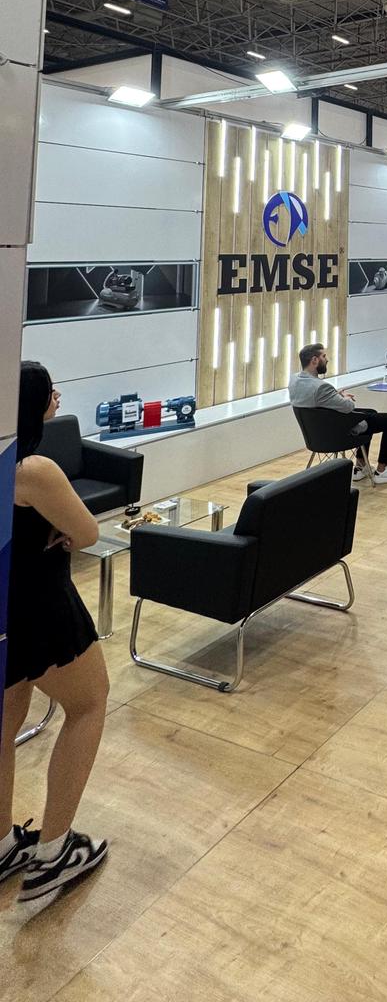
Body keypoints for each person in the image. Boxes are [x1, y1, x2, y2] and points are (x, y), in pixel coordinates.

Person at [1, 364, 109, 905]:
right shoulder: (34, 469)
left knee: (4, 728)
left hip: (3, 612)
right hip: (41, 607)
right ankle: (54, 853)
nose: (57, 396)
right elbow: (86, 532)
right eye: (50, 391)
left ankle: (2, 845)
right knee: (89, 704)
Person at [289, 343, 387, 483]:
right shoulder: (321, 387)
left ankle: (361, 466)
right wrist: (344, 397)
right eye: (324, 356)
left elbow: (315, 400)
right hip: (337, 434)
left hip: (316, 435)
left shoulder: (294, 380)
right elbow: (349, 407)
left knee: (371, 413)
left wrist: (334, 395)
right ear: (314, 360)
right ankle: (383, 469)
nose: (327, 360)